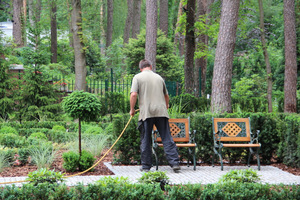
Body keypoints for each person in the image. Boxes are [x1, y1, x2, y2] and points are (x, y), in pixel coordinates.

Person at [130, 59, 181, 172]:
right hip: (161, 112)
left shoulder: (137, 77)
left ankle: (146, 166)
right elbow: (166, 96)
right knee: (167, 137)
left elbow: (133, 94)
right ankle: (175, 163)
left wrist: (132, 109)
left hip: (146, 113)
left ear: (140, 68)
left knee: (145, 139)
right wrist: (166, 106)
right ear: (151, 66)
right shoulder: (159, 78)